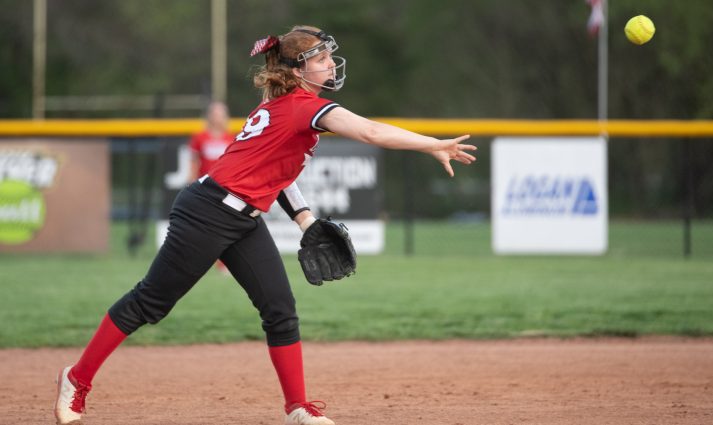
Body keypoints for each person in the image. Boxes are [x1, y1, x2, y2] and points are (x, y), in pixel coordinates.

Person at [54, 25, 476, 425]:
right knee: (151, 302)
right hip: (207, 212)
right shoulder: (303, 108)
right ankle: (76, 379)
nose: (331, 64)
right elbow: (367, 131)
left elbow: (277, 177)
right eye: (322, 58)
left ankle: (298, 407)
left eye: (330, 56)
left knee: (279, 310)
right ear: (297, 70)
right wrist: (432, 144)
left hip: (243, 218)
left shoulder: (280, 109)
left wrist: (304, 219)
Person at [188, 101, 235, 274]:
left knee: (224, 227)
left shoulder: (231, 137)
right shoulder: (200, 137)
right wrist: (191, 182)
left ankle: (223, 264)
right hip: (205, 189)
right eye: (215, 113)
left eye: (222, 113)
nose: (218, 117)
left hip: (225, 190)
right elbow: (193, 162)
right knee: (203, 228)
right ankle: (197, 261)